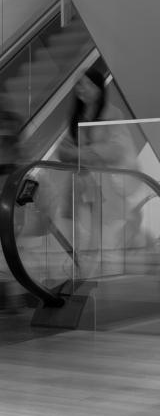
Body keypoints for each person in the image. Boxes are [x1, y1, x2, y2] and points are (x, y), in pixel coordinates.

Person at [57, 68, 139, 277]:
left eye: (85, 83)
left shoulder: (112, 115)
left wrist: (80, 152)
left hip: (107, 190)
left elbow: (116, 150)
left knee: (107, 245)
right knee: (85, 245)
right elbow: (62, 152)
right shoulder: (76, 116)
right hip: (85, 189)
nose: (80, 88)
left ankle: (110, 296)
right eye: (78, 84)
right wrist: (85, 153)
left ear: (98, 88)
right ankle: (90, 293)